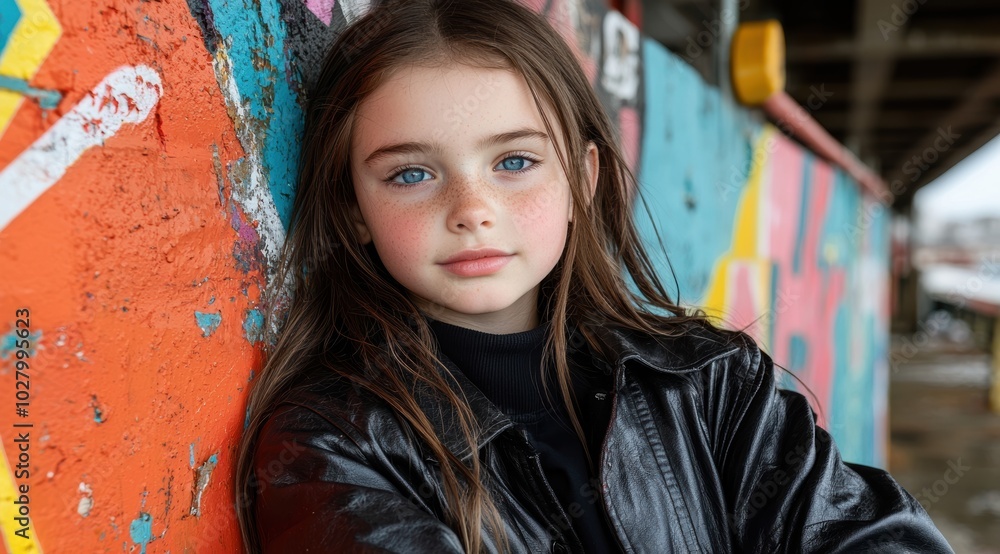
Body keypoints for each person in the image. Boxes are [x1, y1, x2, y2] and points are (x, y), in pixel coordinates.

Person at [233, 0, 954, 552]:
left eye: (514, 162)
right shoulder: (332, 447)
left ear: (583, 179)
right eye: (412, 174)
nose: (472, 210)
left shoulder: (710, 384)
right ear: (354, 209)